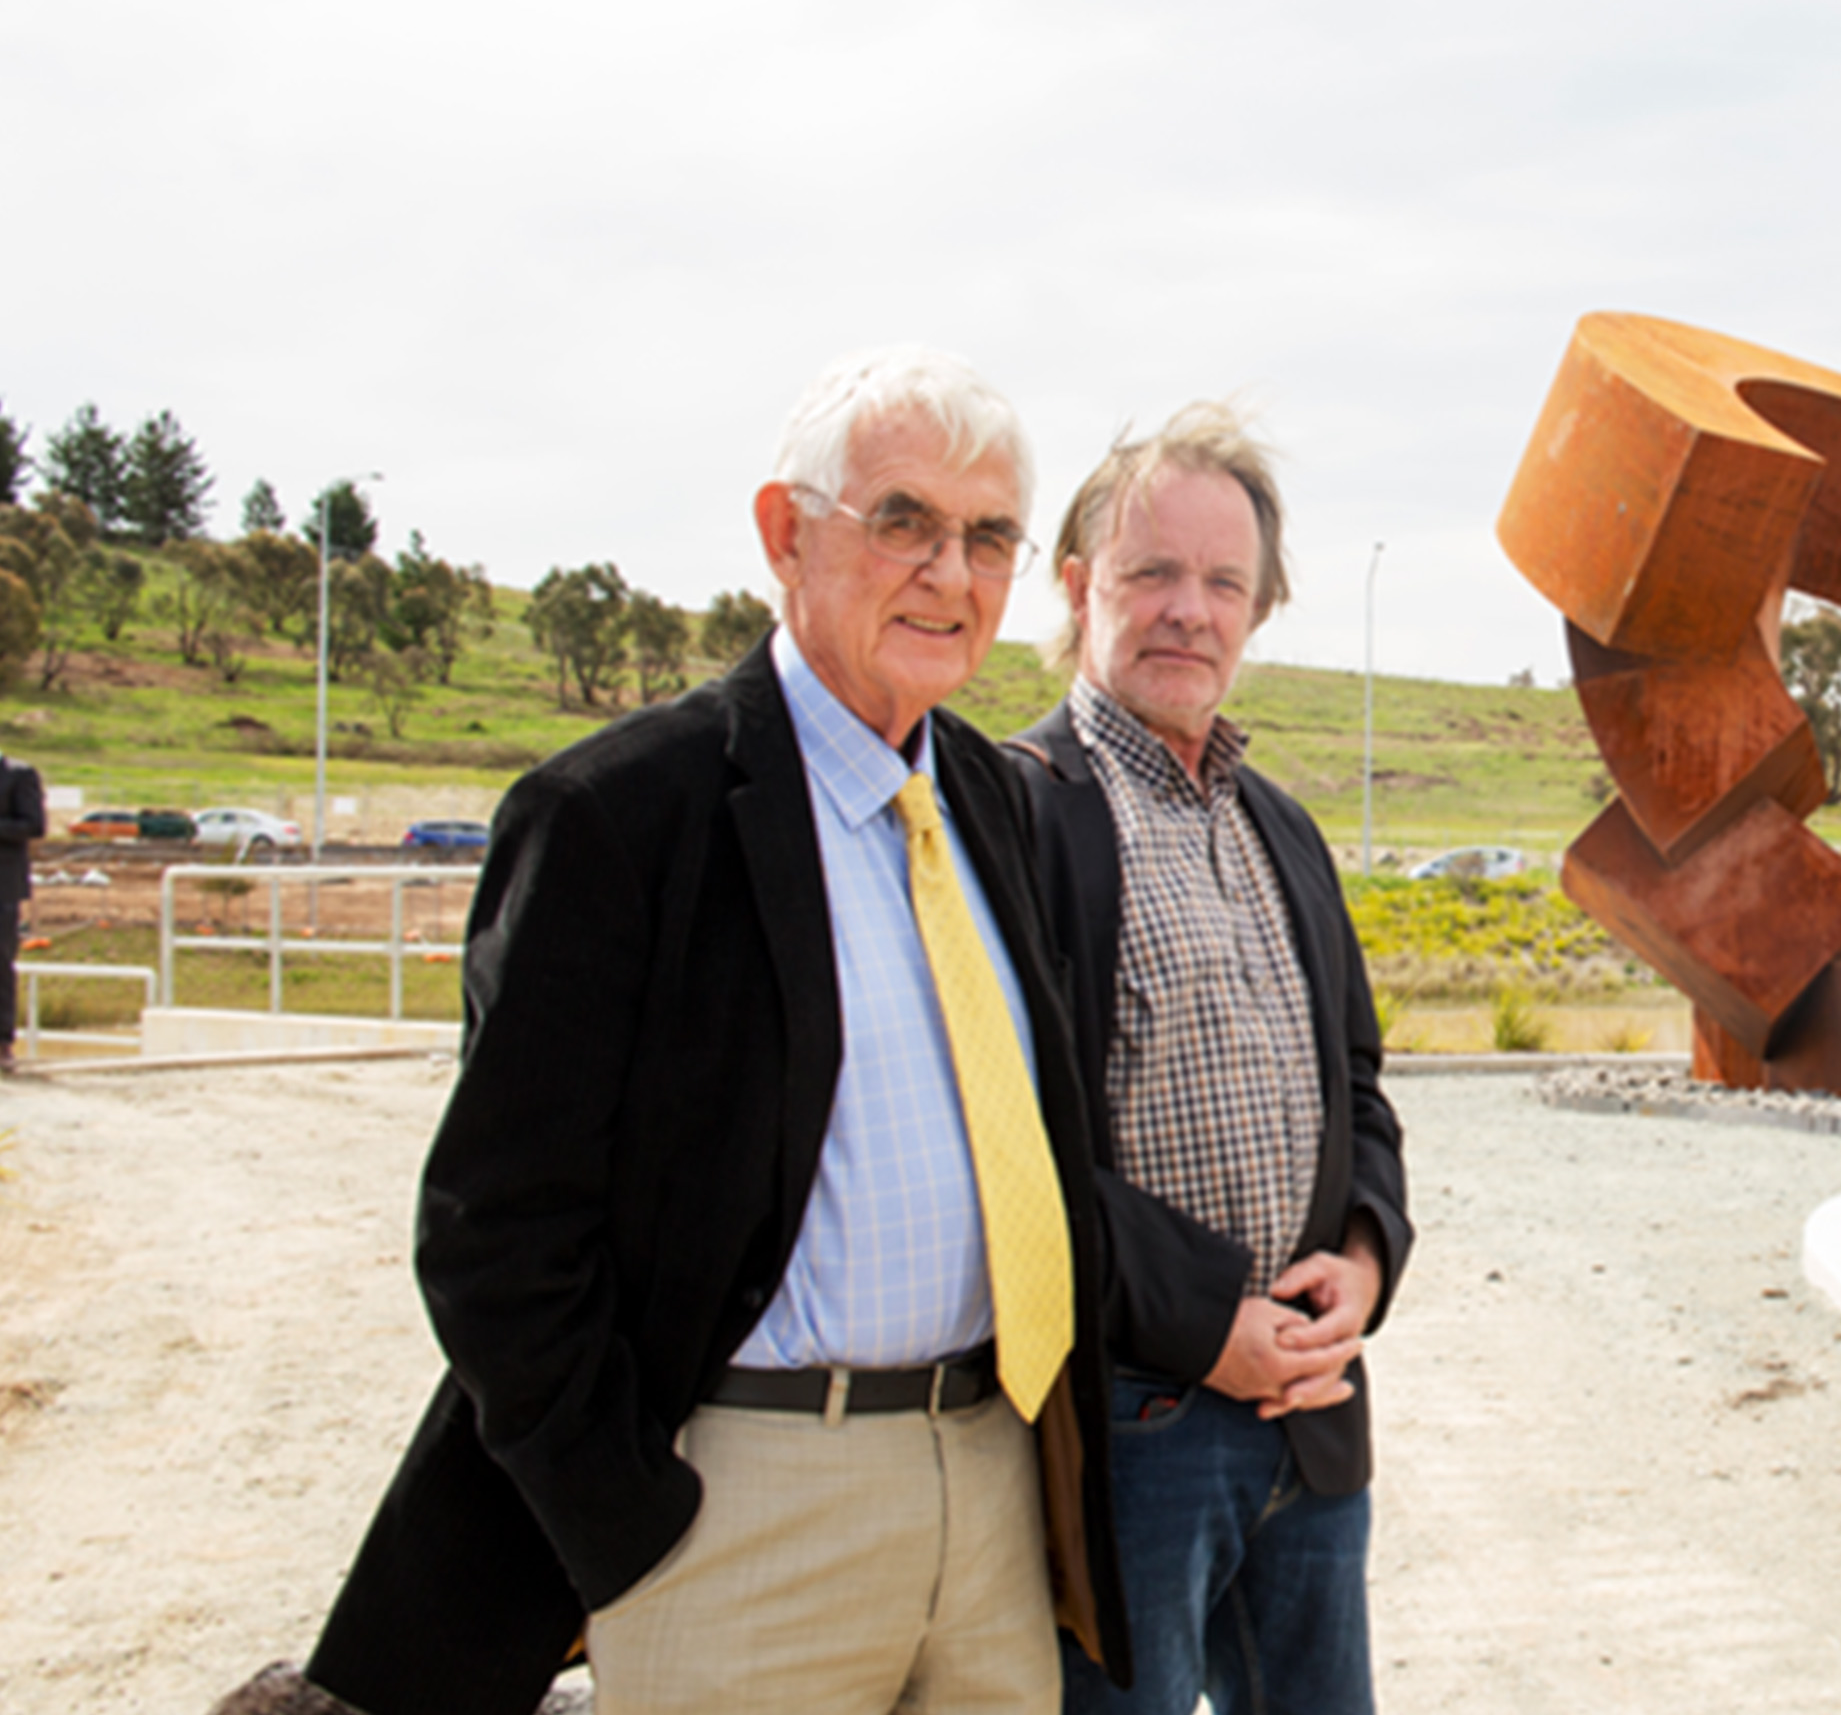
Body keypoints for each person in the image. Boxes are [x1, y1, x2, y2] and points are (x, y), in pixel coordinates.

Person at [213, 347, 1128, 1715]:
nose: (950, 573)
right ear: (785, 534)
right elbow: (493, 1232)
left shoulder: (990, 801)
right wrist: (632, 1520)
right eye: (903, 521)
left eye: (989, 536)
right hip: (741, 1511)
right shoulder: (619, 816)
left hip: (991, 1487)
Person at [1004, 403, 1411, 1715]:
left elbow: (1358, 1088)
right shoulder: (1018, 815)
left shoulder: (1281, 825)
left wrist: (1364, 1257)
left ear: (1258, 608)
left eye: (1224, 583)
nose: (1190, 611)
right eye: (1153, 573)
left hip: (1311, 1421)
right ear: (1079, 588)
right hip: (1138, 1435)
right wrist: (1204, 1329)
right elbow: (1013, 1155)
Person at [0, 749, 40, 1072]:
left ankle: (2, 1041)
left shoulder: (19, 774)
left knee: (0, 964)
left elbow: (34, 825)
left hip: (3, 885)